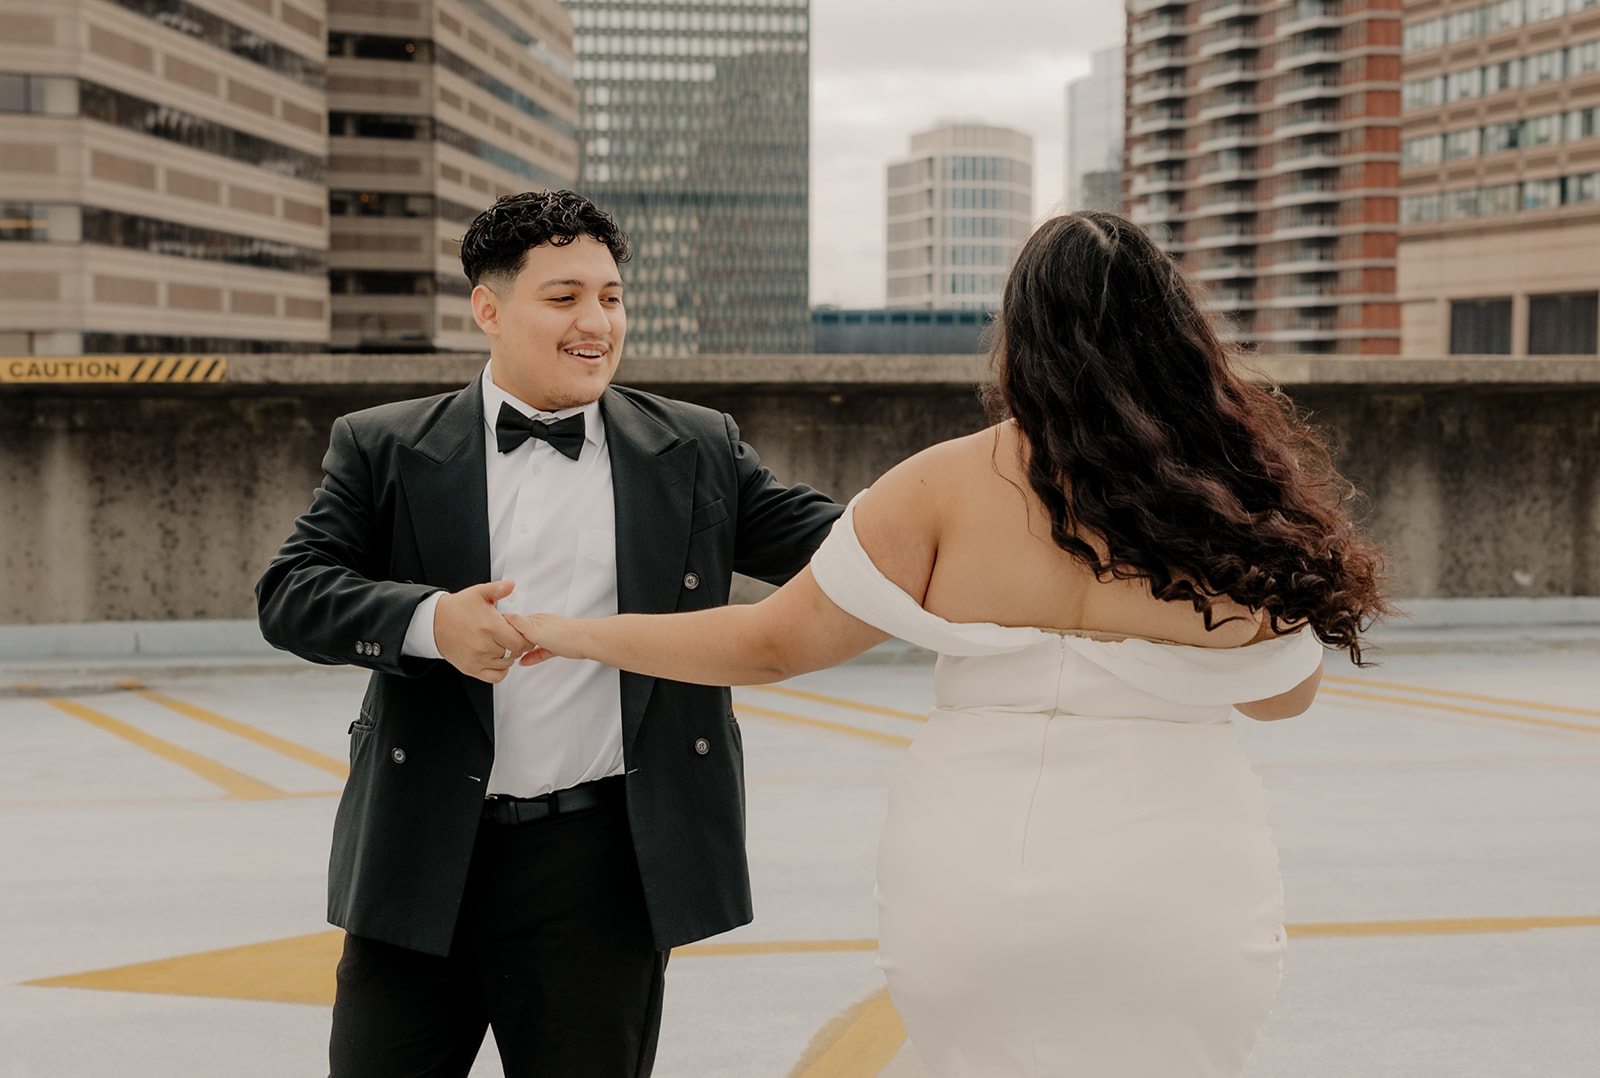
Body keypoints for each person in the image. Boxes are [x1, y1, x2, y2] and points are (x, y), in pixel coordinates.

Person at [506, 212, 1391, 1077]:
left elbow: (770, 644)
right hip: (1175, 875)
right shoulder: (1226, 496)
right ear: (1176, 335)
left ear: (1019, 338)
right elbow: (1282, 694)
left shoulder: (939, 483)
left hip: (970, 872)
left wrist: (569, 631)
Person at [254, 190, 841, 1077]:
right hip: (420, 852)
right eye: (563, 298)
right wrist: (428, 621)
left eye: (610, 297)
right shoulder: (382, 446)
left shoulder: (697, 448)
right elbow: (290, 592)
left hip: (603, 863)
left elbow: (845, 546)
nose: (596, 322)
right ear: (488, 309)